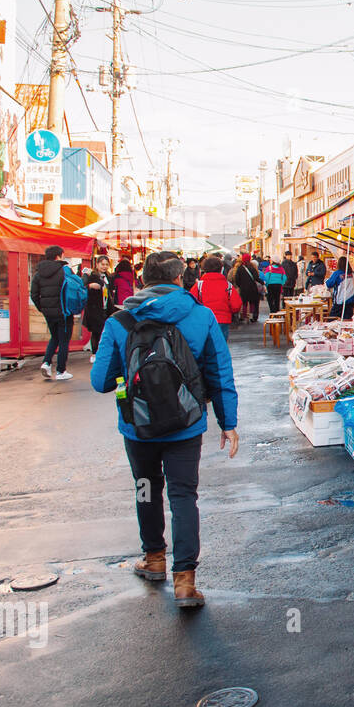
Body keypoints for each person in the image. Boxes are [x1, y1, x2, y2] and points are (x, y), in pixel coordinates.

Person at [91, 251, 239, 610]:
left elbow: (101, 382)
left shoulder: (119, 321)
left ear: (142, 280)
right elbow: (219, 375)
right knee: (183, 495)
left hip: (137, 425)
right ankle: (185, 582)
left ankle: (154, 558)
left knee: (145, 487)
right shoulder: (200, 316)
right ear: (179, 280)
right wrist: (228, 423)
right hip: (186, 424)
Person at [29, 245, 76, 380]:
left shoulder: (38, 273)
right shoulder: (65, 271)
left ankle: (47, 362)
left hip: (48, 313)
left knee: (54, 337)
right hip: (64, 311)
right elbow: (74, 289)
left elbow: (34, 294)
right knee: (63, 341)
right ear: (59, 256)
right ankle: (61, 371)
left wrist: (42, 308)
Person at [191, 255, 243, 340]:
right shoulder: (227, 285)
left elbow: (191, 303)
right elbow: (236, 305)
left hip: (203, 321)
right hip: (223, 320)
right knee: (220, 347)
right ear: (221, 269)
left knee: (205, 348)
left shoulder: (199, 285)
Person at [81, 255, 116, 364]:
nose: (104, 267)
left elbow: (110, 292)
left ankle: (103, 352)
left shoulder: (108, 277)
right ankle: (94, 353)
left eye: (106, 264)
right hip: (94, 308)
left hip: (106, 308)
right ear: (97, 264)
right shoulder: (92, 276)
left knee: (104, 330)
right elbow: (82, 287)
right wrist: (90, 286)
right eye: (102, 264)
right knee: (96, 331)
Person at [232, 252, 263, 323]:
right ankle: (252, 316)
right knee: (252, 302)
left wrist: (240, 285)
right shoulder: (252, 268)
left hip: (243, 289)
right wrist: (262, 282)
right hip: (252, 288)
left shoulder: (240, 268)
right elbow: (256, 277)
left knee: (244, 303)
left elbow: (237, 279)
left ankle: (244, 316)